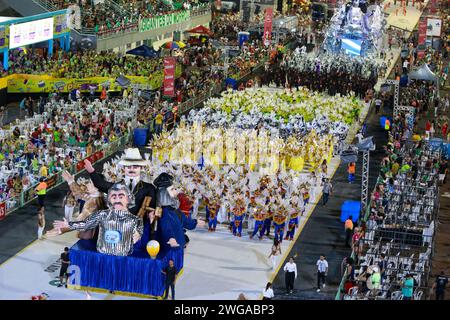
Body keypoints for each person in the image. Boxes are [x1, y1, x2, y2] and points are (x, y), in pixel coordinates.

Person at [51, 183, 144, 256]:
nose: (117, 200)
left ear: (128, 199)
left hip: (122, 258)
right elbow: (86, 224)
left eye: (121, 196)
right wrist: (69, 225)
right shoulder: (102, 214)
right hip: (102, 256)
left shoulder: (136, 220)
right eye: (113, 196)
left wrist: (137, 235)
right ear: (109, 200)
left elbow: (138, 233)